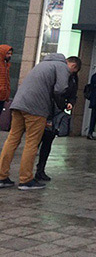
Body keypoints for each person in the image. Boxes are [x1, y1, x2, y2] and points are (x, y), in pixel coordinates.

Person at [0, 54, 79, 190]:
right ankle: (26, 180)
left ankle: (1, 177)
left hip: (19, 103)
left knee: (12, 139)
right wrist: (63, 105)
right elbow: (60, 89)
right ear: (72, 66)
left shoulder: (42, 64)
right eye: (73, 71)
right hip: (36, 108)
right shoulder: (62, 67)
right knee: (32, 142)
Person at [37, 70, 80, 181]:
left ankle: (40, 170)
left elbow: (73, 94)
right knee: (35, 143)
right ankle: (27, 170)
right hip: (45, 111)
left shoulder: (73, 78)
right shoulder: (56, 74)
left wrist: (70, 102)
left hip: (56, 113)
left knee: (47, 141)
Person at [0, 45, 12, 112]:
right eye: (8, 53)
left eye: (10, 54)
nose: (10, 55)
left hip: (2, 97)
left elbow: (7, 81)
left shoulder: (6, 65)